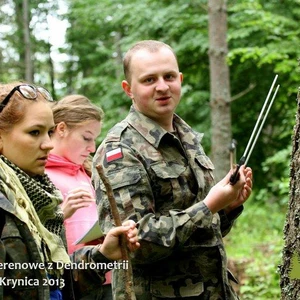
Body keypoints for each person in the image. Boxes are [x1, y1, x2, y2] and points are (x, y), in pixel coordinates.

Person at [92, 40, 253, 299]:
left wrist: (228, 207)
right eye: (148, 80)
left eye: (169, 76)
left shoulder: (186, 137)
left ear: (180, 79)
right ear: (128, 89)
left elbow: (204, 233)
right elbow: (136, 245)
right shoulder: (119, 151)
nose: (162, 87)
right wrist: (209, 206)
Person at [0, 82, 140, 299]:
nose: (47, 143)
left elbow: (52, 279)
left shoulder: (37, 188)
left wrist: (103, 255)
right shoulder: (8, 201)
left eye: (48, 132)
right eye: (34, 132)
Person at [45, 94, 113, 299]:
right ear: (62, 129)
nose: (92, 147)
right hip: (66, 283)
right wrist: (61, 214)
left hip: (102, 276)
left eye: (94, 139)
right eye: (86, 138)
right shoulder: (38, 172)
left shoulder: (87, 173)